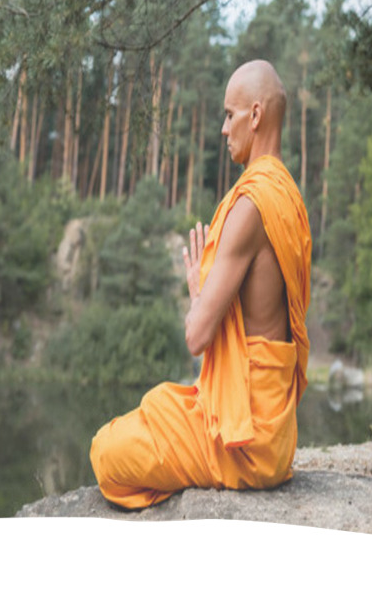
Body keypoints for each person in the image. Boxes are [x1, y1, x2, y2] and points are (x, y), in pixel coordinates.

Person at [89, 59, 312, 509]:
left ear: (255, 115)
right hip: (276, 434)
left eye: (229, 116)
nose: (224, 129)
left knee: (106, 449)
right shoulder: (289, 196)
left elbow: (197, 336)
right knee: (163, 405)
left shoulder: (251, 205)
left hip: (243, 440)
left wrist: (197, 292)